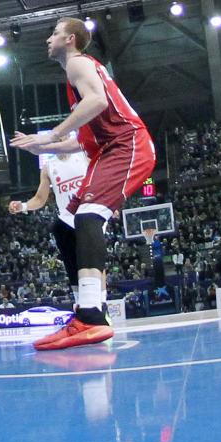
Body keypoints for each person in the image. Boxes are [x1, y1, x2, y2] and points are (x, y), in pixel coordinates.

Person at [8, 18, 155, 351]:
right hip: (110, 149)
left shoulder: (77, 63)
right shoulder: (77, 76)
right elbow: (80, 141)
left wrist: (52, 133)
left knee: (87, 216)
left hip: (128, 144)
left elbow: (98, 102)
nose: (48, 39)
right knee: (65, 227)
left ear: (70, 39)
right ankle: (85, 310)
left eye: (54, 33)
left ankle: (92, 315)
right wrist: (41, 145)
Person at [8, 143, 90, 316]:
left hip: (89, 214)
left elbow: (101, 179)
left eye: (65, 137)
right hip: (67, 220)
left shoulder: (83, 155)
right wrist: (22, 206)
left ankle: (100, 306)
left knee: (92, 264)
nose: (62, 141)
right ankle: (81, 307)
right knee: (72, 266)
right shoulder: (48, 167)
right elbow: (39, 198)